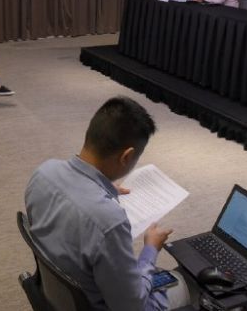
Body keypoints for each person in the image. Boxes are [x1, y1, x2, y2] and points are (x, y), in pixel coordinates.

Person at [25, 97, 194, 311]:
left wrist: (104, 190)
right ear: (127, 156)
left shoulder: (43, 173)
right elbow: (131, 307)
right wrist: (150, 249)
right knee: (182, 285)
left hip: (60, 295)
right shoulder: (109, 222)